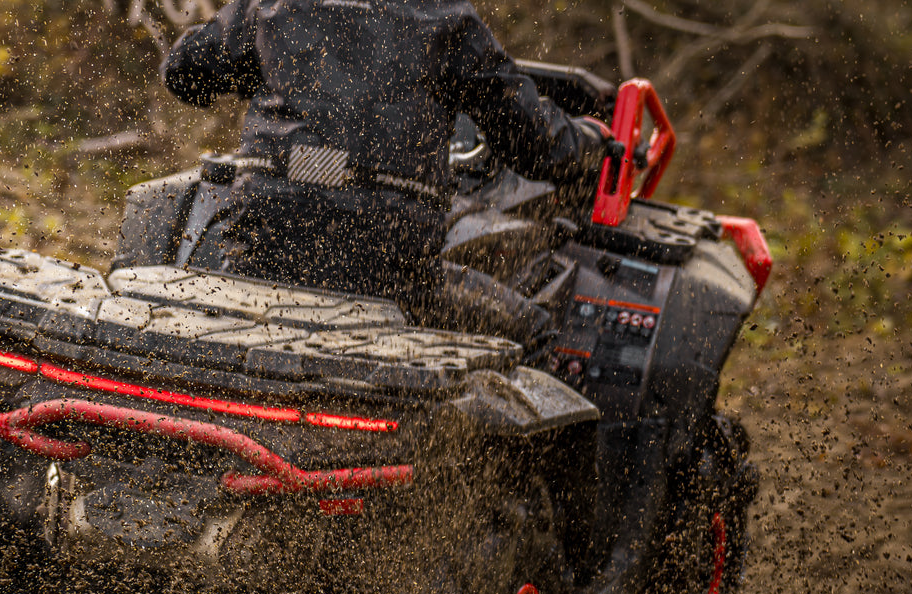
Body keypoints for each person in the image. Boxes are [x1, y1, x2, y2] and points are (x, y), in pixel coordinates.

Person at [162, 0, 616, 349]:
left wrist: (270, 70)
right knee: (534, 334)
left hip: (268, 245)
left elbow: (183, 71)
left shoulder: (272, 5)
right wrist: (593, 141)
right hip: (388, 268)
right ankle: (471, 469)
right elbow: (537, 146)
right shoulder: (446, 16)